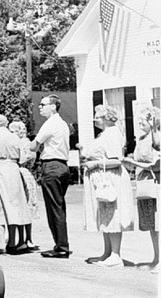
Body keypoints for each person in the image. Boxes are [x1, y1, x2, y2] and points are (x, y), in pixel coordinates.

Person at [81, 105, 134, 267]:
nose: (95, 119)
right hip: (102, 179)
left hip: (111, 179)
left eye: (97, 116)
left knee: (113, 214)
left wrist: (95, 163)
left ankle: (116, 255)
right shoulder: (105, 134)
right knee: (105, 215)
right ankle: (108, 252)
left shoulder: (113, 134)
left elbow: (116, 160)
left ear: (105, 118)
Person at [0, 114, 31, 255]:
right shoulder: (15, 137)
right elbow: (23, 158)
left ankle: (0, 242)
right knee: (13, 205)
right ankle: (12, 242)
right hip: (14, 170)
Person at [30, 94, 71, 258]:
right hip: (62, 165)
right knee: (59, 207)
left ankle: (61, 246)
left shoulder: (50, 124)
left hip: (52, 166)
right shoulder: (62, 124)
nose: (40, 107)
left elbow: (34, 146)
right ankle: (61, 244)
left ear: (53, 106)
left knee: (54, 208)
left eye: (43, 104)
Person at [122, 106, 160, 273]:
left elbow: (157, 166)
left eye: (143, 120)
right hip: (144, 183)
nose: (138, 123)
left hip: (156, 183)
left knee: (159, 223)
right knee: (152, 223)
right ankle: (157, 257)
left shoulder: (156, 138)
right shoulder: (142, 138)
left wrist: (135, 164)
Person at [9, 120, 40, 250]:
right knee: (21, 207)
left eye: (12, 131)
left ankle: (26, 238)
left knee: (25, 206)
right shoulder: (20, 142)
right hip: (21, 173)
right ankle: (23, 238)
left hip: (22, 174)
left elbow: (27, 158)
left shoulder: (24, 143)